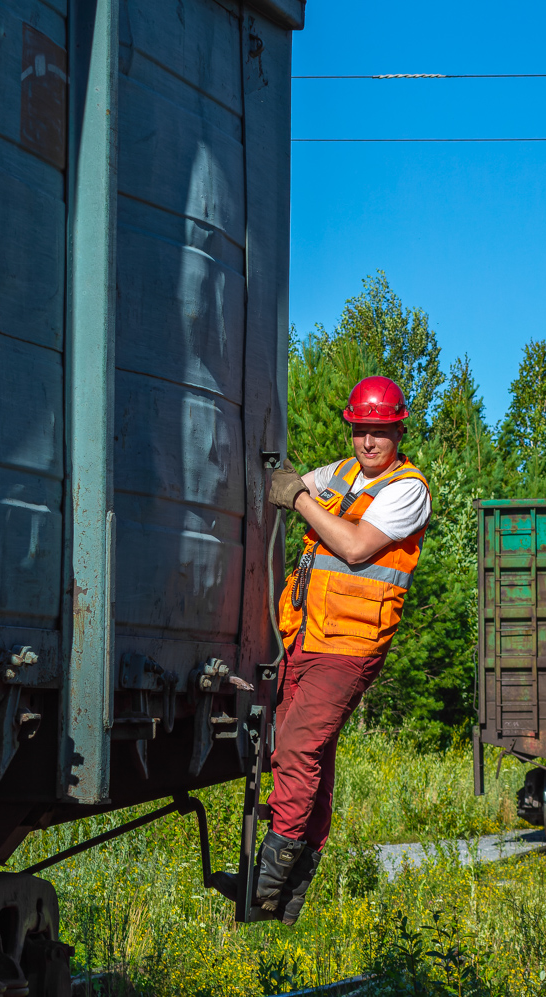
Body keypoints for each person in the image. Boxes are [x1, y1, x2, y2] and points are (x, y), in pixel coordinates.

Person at [219, 375, 432, 924]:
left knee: (296, 750)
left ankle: (263, 889)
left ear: (398, 430)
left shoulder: (408, 490)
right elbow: (282, 487)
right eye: (360, 430)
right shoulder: (337, 475)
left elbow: (355, 546)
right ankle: (287, 897)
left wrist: (299, 498)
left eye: (379, 432)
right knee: (302, 756)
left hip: (352, 646)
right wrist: (277, 481)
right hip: (304, 637)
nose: (367, 443)